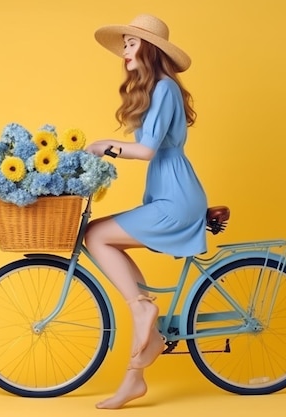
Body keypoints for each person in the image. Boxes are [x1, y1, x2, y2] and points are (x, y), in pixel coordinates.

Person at [84, 14, 208, 409]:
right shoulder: (157, 90)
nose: (125, 52)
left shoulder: (166, 88)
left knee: (95, 235)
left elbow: (148, 150)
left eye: (132, 44)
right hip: (167, 193)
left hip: (177, 199)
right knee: (106, 240)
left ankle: (141, 309)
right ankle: (134, 378)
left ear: (150, 49)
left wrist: (104, 146)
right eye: (124, 45)